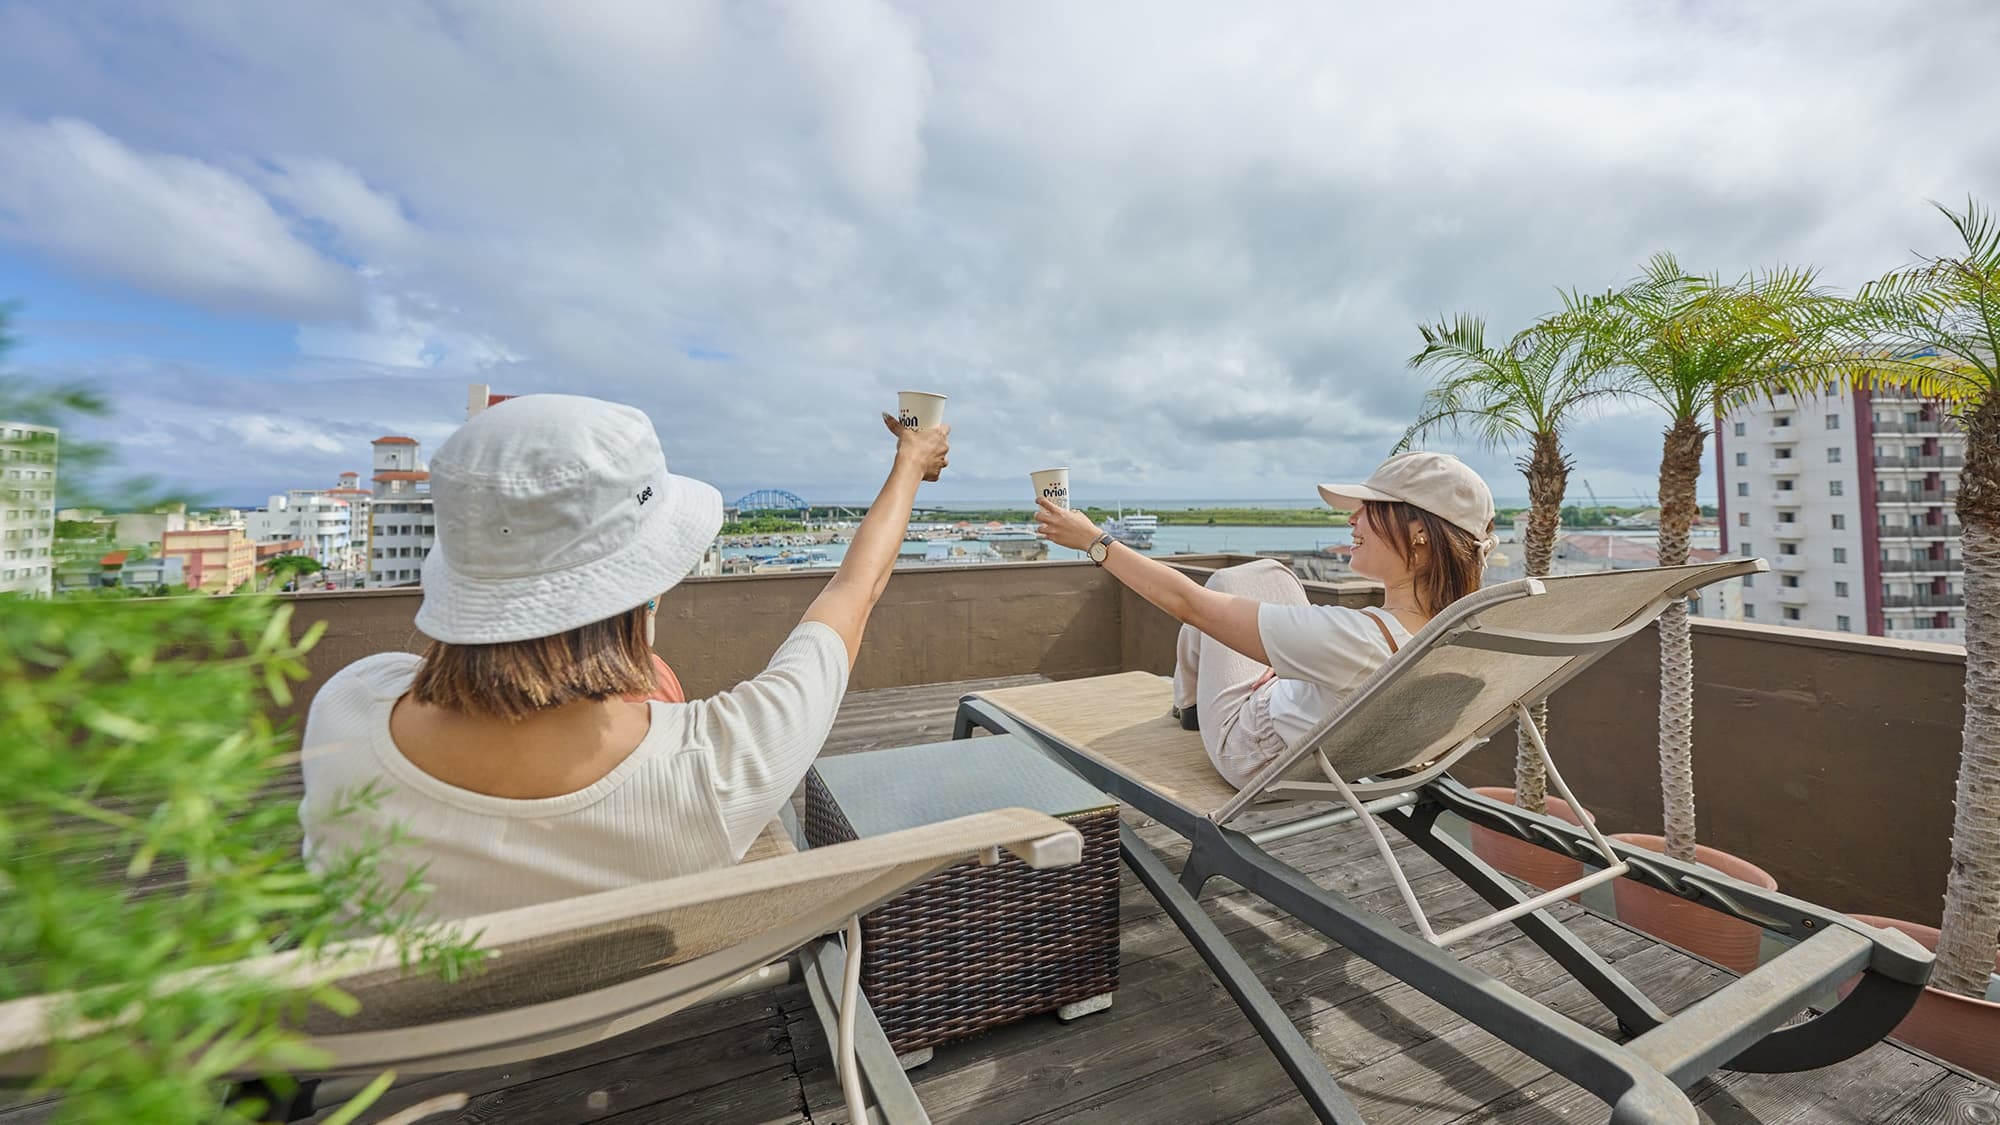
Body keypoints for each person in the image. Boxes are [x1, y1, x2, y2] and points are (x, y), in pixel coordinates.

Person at [299, 394, 949, 919]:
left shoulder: (347, 713)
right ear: (641, 587)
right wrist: (909, 464)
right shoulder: (712, 770)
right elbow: (853, 590)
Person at [1035, 451, 1495, 788]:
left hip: (1251, 746)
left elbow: (1188, 604)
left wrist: (1095, 541)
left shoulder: (1358, 640)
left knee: (1225, 587)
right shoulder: (1455, 632)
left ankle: (1190, 704)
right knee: (1270, 574)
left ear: (1419, 534)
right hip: (1323, 739)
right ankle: (1191, 699)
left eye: (1370, 509)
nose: (1353, 519)